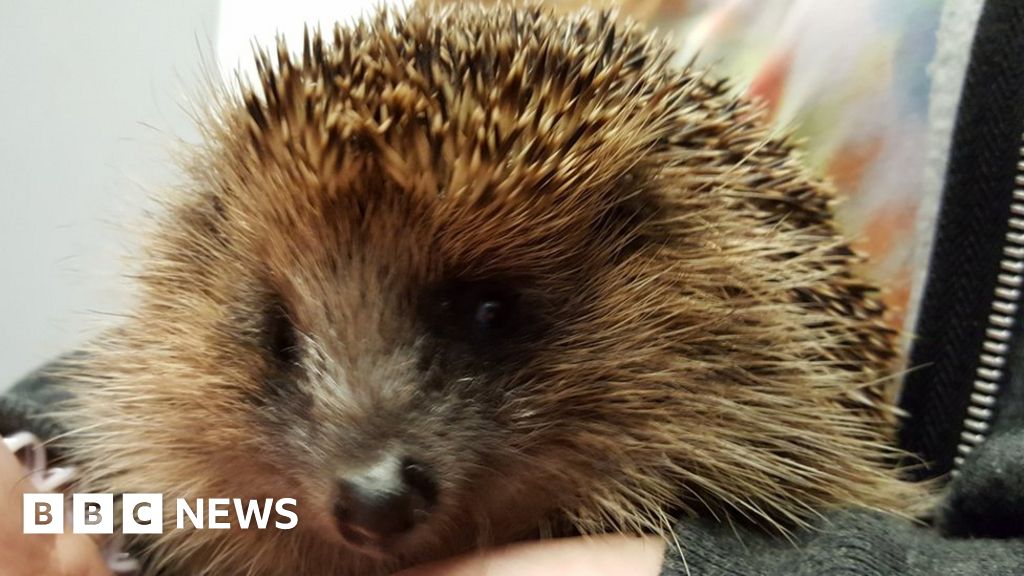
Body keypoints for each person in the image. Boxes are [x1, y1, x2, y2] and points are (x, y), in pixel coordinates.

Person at [2, 0, 1024, 573]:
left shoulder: (695, 334)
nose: (363, 485)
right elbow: (153, 449)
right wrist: (53, 507)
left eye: (488, 317)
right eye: (284, 341)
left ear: (654, 256)